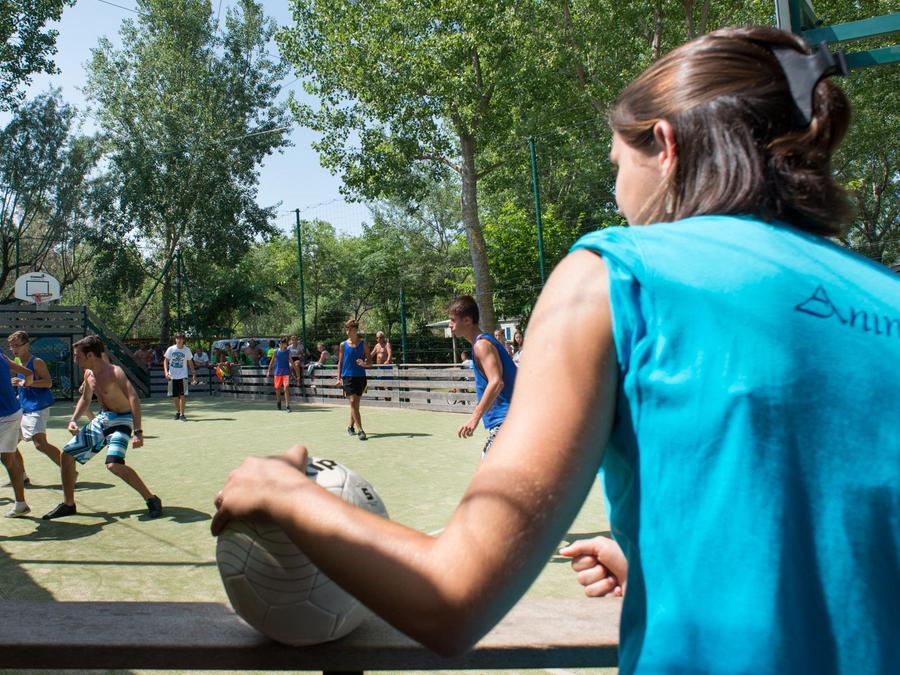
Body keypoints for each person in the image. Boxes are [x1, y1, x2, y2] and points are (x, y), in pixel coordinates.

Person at [213, 28, 899, 672]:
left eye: (616, 166)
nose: (617, 194)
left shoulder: (617, 274)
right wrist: (660, 569)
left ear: (666, 146)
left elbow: (450, 601)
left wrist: (281, 492)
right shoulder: (886, 293)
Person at [43, 335, 161, 520]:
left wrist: (138, 432)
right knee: (66, 455)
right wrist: (73, 419)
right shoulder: (88, 374)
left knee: (114, 464)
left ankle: (151, 499)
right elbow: (85, 398)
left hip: (122, 420)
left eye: (78, 356)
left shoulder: (115, 372)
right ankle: (68, 504)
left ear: (90, 355)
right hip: (103, 419)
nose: (75, 360)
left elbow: (134, 399)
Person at [450, 296, 517, 456]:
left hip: (507, 422)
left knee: (487, 470)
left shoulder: (482, 345)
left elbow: (496, 382)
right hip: (511, 420)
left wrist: (474, 418)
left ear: (467, 320)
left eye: (453, 320)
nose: (450, 325)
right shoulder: (482, 343)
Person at [6, 331, 63, 488]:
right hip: (22, 409)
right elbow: (23, 386)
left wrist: (26, 383)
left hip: (37, 408)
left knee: (40, 444)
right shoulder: (17, 362)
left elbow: (48, 383)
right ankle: (21, 477)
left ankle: (69, 470)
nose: (14, 349)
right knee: (8, 444)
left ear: (27, 345)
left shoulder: (37, 362)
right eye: (11, 346)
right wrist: (18, 394)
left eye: (17, 345)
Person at [0, 350, 35, 517]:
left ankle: (21, 503)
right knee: (8, 458)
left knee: (8, 458)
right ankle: (21, 504)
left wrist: (25, 386)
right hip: (13, 412)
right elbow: (28, 373)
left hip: (6, 415)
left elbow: (27, 373)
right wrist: (26, 383)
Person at [335, 319, 371, 441]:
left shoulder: (363, 344)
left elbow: (370, 362)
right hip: (347, 377)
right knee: (352, 401)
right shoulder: (343, 345)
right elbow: (340, 363)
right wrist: (338, 378)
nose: (348, 331)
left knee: (355, 404)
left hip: (360, 377)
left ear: (355, 330)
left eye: (350, 329)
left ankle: (350, 426)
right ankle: (360, 430)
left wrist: (364, 364)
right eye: (347, 329)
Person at [164, 332, 197, 421]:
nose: (179, 340)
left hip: (183, 376)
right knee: (175, 396)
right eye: (177, 338)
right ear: (175, 339)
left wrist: (193, 374)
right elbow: (165, 361)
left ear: (183, 340)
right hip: (172, 376)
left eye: (181, 338)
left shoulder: (187, 350)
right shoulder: (171, 349)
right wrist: (166, 372)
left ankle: (182, 414)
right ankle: (178, 412)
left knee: (182, 395)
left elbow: (190, 362)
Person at [266, 337, 293, 412]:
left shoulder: (288, 352)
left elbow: (292, 362)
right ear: (280, 344)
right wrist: (268, 371)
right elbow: (271, 362)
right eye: (282, 343)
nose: (283, 344)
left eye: (284, 343)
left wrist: (296, 372)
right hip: (277, 373)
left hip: (286, 373)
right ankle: (278, 402)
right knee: (277, 388)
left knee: (286, 387)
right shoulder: (275, 351)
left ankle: (287, 406)